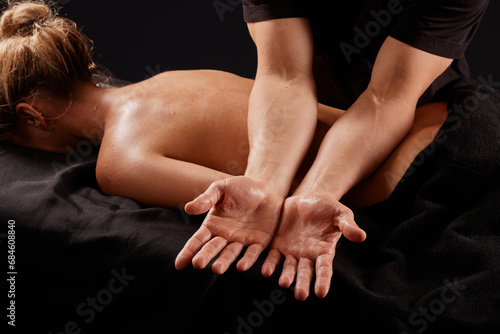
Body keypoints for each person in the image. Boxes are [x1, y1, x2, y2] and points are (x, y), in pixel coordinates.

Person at [0, 1, 447, 300]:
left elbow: (260, 205)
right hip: (443, 123)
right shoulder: (171, 78)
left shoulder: (120, 161)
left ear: (32, 115)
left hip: (429, 181)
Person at [177, 0, 491, 300]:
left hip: (414, 130)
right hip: (301, 118)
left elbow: (387, 97)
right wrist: (264, 182)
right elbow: (285, 74)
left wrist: (319, 191)